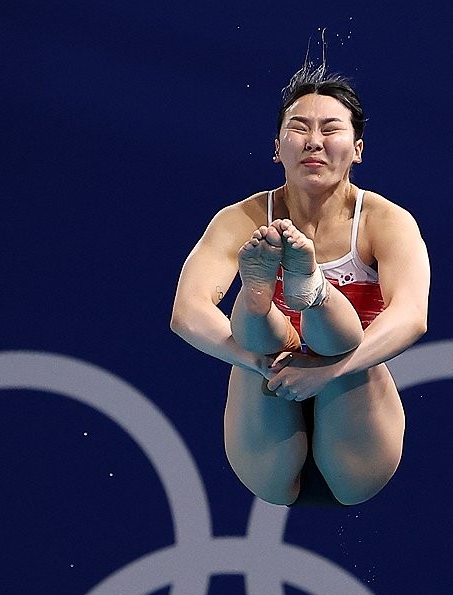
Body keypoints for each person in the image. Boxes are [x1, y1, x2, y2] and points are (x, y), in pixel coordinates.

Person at [170, 64, 430, 506]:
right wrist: (253, 361)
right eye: (298, 128)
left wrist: (330, 372)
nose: (314, 141)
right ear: (277, 148)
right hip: (267, 403)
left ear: (358, 149)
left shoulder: (385, 221)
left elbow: (411, 317)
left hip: (357, 432)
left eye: (331, 129)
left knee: (338, 339)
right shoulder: (241, 219)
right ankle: (267, 305)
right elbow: (186, 312)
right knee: (259, 330)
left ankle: (313, 291)